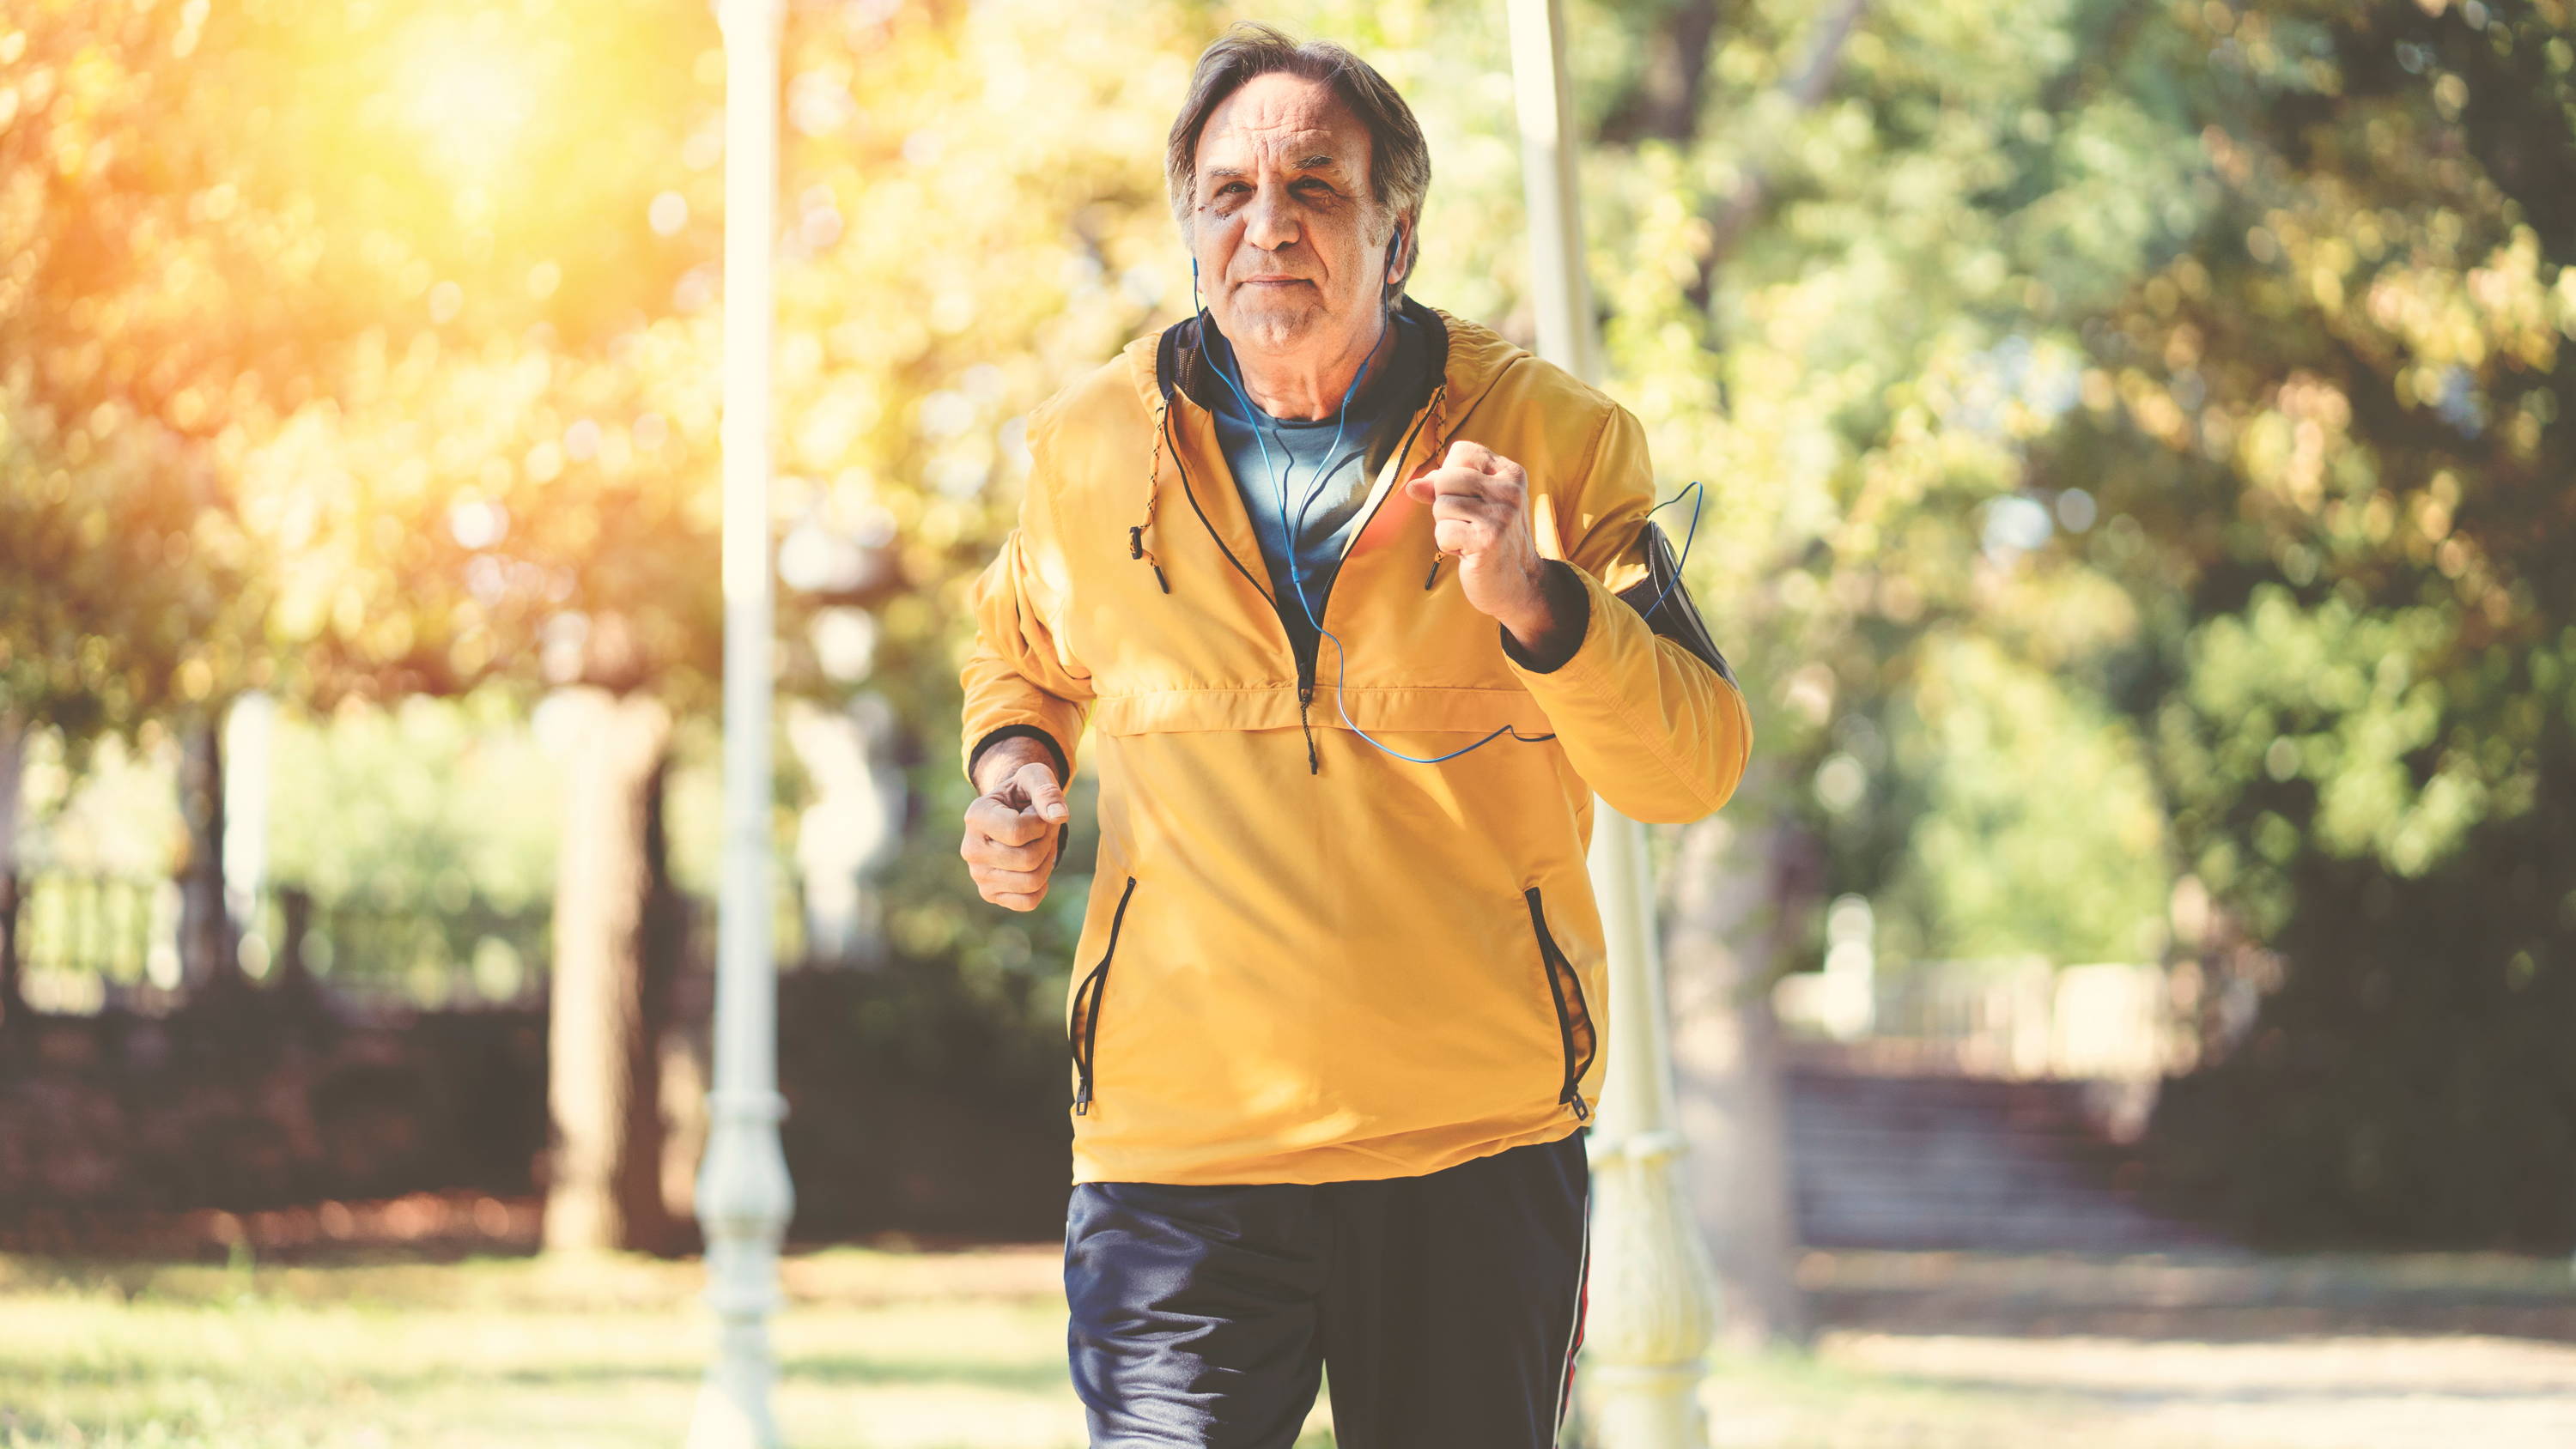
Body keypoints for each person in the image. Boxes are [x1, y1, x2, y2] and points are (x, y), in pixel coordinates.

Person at [957, 22, 1751, 1448]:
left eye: (1316, 189)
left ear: (1399, 233)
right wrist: (1016, 766)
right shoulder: (1085, 451)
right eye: (1230, 194)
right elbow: (1018, 655)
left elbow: (1690, 765)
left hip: (1473, 1148)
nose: (1269, 228)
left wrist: (1538, 603)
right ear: (1191, 227)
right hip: (1176, 1153)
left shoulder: (1559, 447)